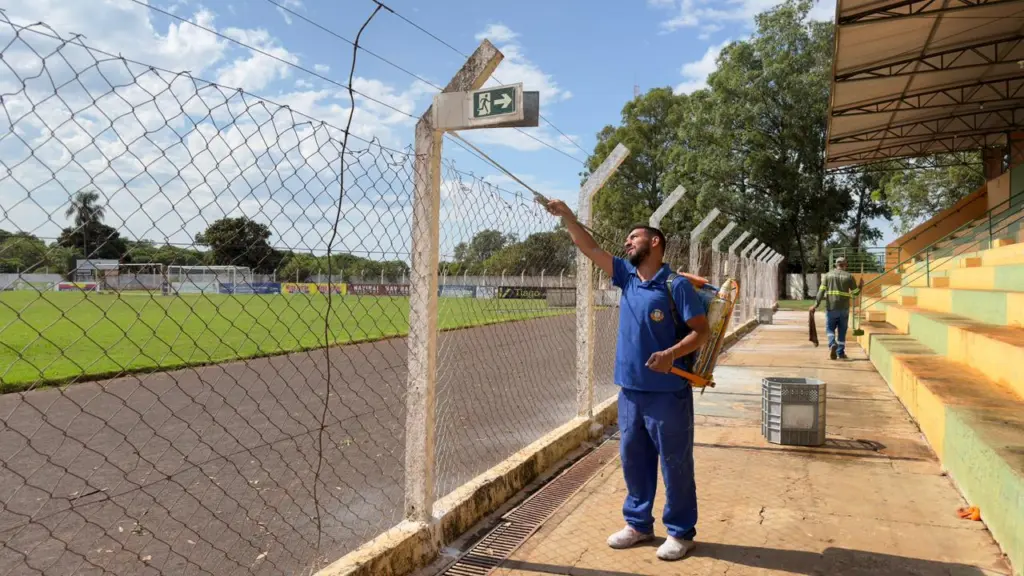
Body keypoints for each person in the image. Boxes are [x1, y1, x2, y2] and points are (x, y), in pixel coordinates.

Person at [545, 199, 710, 561]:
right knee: (633, 460)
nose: (627, 243)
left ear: (655, 243)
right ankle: (638, 524)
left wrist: (670, 355)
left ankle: (681, 532)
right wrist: (570, 218)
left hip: (668, 394)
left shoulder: (675, 285)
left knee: (675, 463)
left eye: (633, 237)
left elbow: (701, 332)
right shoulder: (626, 277)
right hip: (630, 392)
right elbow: (588, 247)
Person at [810, 256, 859, 360]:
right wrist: (861, 286)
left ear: (836, 265)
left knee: (829, 329)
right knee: (842, 331)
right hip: (844, 309)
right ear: (845, 265)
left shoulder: (828, 276)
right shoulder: (849, 276)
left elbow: (821, 291)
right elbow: (855, 293)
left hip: (831, 308)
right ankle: (840, 353)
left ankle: (832, 343)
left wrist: (816, 304)